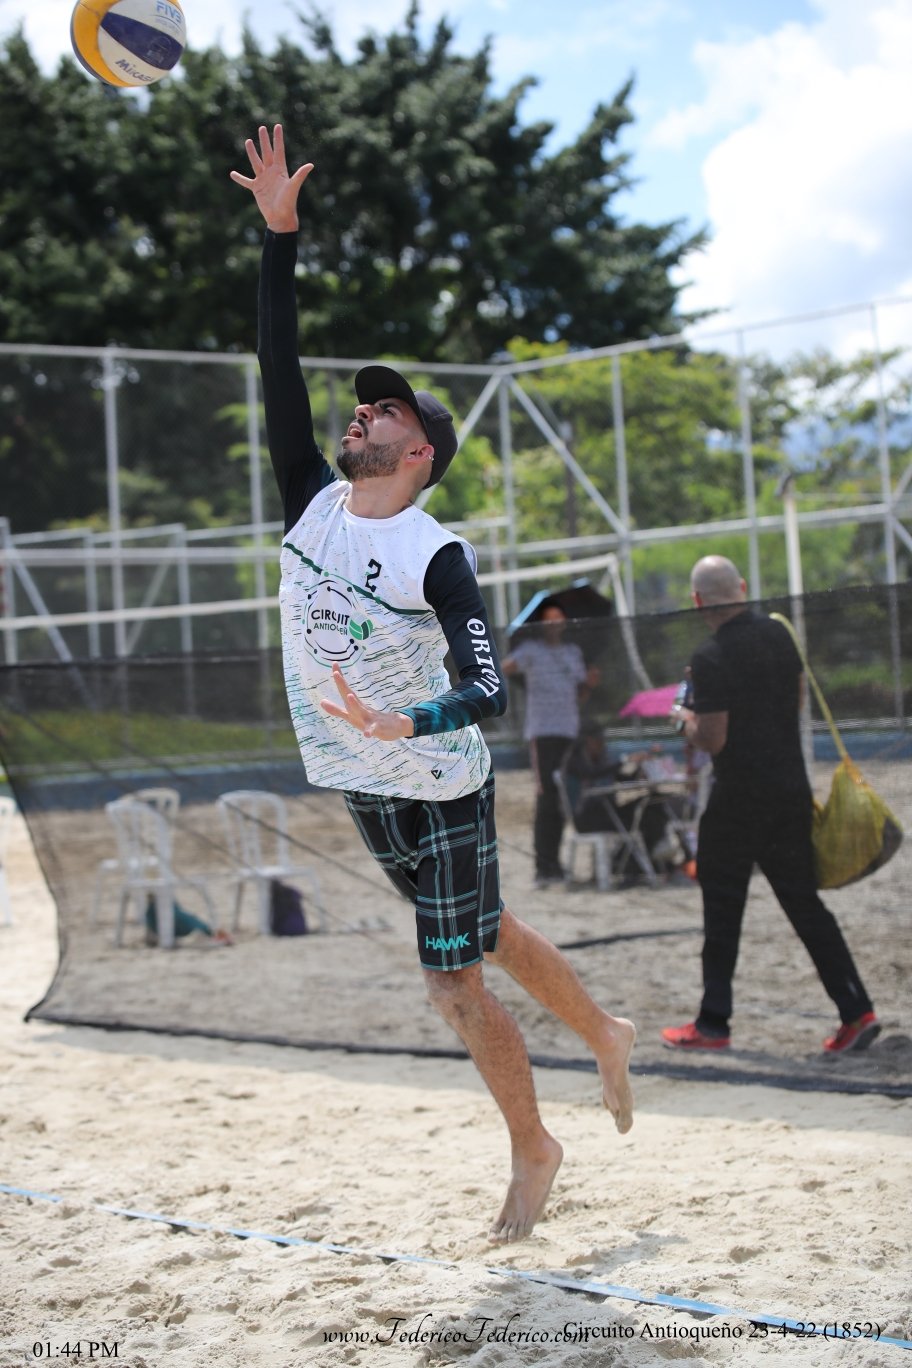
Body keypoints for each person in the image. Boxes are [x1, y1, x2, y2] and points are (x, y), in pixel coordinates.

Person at [230, 125, 635, 1242]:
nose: (362, 410)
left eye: (388, 410)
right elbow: (275, 361)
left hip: (438, 778)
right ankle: (605, 1031)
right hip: (360, 775)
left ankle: (535, 1148)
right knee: (488, 933)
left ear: (419, 453)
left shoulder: (436, 555)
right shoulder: (309, 500)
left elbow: (487, 688)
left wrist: (403, 717)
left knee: (451, 980)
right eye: (366, 404)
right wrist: (279, 237)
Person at [662, 555, 879, 1055]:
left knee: (723, 910)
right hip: (789, 790)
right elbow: (797, 700)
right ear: (741, 587)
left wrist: (681, 719)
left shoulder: (710, 656)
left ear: (697, 601)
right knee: (805, 904)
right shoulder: (781, 635)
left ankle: (713, 1024)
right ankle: (857, 1011)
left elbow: (712, 738)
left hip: (738, 800)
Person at [503, 604, 599, 887]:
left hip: (569, 730)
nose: (554, 624)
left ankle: (555, 864)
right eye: (549, 620)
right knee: (546, 797)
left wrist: (589, 684)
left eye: (559, 619)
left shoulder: (573, 653)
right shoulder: (531, 650)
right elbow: (504, 668)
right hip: (543, 732)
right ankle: (543, 867)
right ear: (541, 624)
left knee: (564, 798)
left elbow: (579, 694)